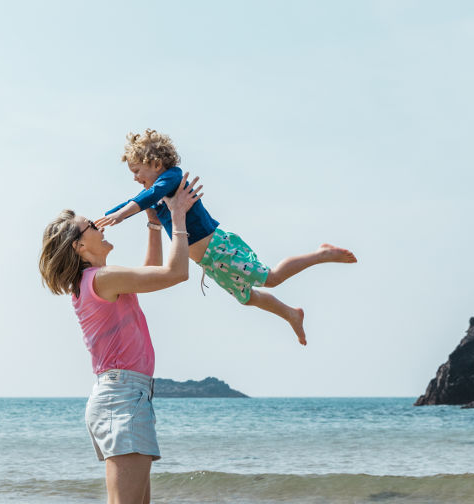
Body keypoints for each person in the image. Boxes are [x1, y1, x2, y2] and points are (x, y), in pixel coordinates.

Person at [39, 173, 201, 504]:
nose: (102, 225)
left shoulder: (101, 280)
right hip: (121, 398)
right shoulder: (99, 280)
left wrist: (153, 221)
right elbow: (175, 272)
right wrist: (179, 216)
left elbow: (152, 272)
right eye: (93, 225)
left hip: (127, 397)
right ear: (79, 245)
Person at [97, 128, 357, 346]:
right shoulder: (158, 193)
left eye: (137, 170)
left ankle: (321, 254)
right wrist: (104, 218)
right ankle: (291, 314)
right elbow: (139, 201)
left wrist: (119, 216)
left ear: (155, 163)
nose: (134, 177)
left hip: (219, 248)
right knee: (248, 298)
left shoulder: (172, 177)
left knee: (272, 278)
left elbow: (144, 199)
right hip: (209, 261)